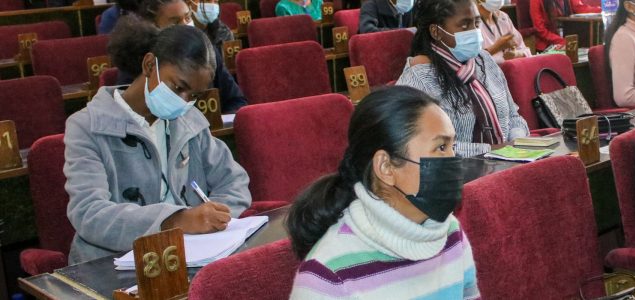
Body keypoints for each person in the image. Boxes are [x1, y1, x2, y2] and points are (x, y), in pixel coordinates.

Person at [67, 21, 250, 263]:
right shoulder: (86, 126)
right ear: (148, 65)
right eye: (178, 87)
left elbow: (234, 180)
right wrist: (175, 220)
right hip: (113, 262)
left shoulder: (188, 119)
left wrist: (215, 218)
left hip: (190, 255)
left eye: (194, 95)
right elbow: (89, 213)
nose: (184, 101)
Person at [287, 86, 479, 299]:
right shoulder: (327, 277)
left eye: (453, 146)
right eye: (441, 148)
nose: (454, 160)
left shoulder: (451, 232)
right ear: (386, 167)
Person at [397, 0, 529, 157]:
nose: (474, 31)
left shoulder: (484, 60)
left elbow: (513, 115)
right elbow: (433, 148)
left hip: (508, 161)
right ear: (436, 32)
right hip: (462, 173)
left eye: (476, 23)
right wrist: (497, 151)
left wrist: (518, 142)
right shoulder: (418, 81)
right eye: (465, 25)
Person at [125, 0, 247, 113]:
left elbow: (237, 101)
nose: (185, 25)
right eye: (175, 22)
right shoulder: (138, 61)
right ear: (153, 26)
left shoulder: (208, 54)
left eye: (187, 17)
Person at [530, 0, 601, 52]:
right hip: (547, 44)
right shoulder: (535, 1)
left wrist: (603, 9)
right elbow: (539, 29)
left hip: (568, 40)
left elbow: (579, 7)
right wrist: (562, 41)